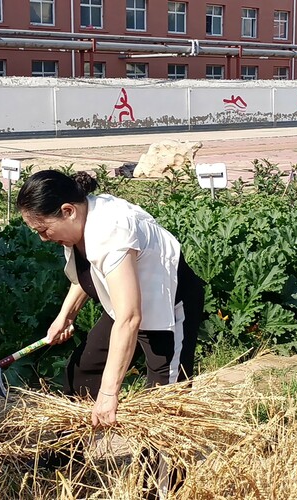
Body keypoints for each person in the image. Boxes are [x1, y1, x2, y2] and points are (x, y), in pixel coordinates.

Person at [16, 169, 205, 495]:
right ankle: (66, 457)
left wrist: (109, 393)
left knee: (162, 405)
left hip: (166, 310)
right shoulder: (76, 227)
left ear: (67, 211)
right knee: (82, 369)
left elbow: (131, 319)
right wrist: (65, 315)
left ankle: (157, 488)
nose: (42, 238)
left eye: (43, 230)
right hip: (124, 306)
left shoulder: (111, 230)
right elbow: (86, 276)